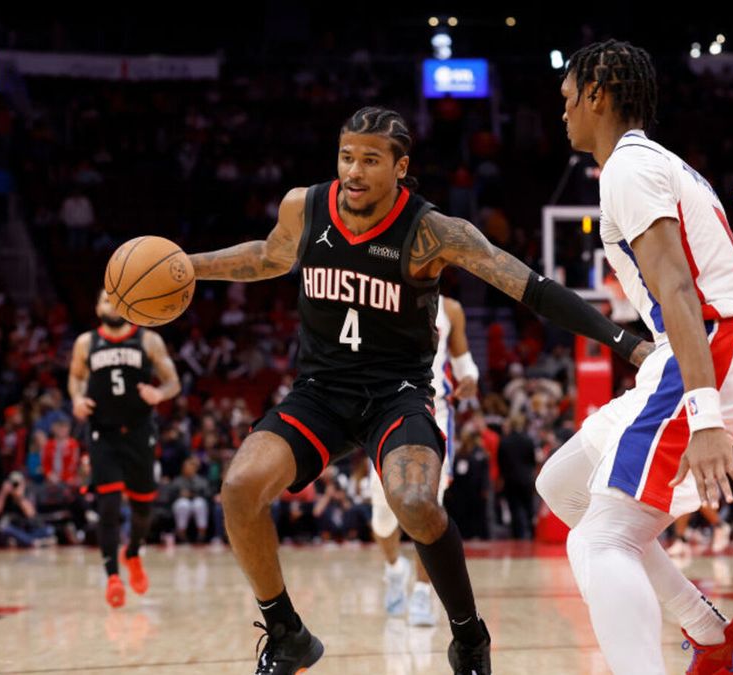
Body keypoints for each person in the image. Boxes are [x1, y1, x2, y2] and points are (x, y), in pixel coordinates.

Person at [186, 105, 650, 675]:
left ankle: (468, 635)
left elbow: (531, 287)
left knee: (416, 504)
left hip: (396, 393)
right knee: (238, 488)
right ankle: (286, 633)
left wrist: (626, 343)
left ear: (401, 167)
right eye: (346, 157)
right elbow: (265, 257)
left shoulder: (431, 231)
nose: (353, 171)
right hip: (320, 390)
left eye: (370, 160)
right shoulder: (303, 207)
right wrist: (188, 267)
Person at [534, 40, 733, 675]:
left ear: (597, 92)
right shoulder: (648, 163)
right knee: (563, 487)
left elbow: (677, 287)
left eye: (568, 99)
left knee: (601, 539)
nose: (562, 113)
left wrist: (703, 416)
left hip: (714, 346)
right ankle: (713, 634)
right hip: (709, 347)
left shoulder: (628, 166)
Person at [68, 290, 181, 608]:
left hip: (139, 432)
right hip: (103, 433)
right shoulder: (86, 343)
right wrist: (77, 399)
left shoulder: (148, 340)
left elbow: (174, 382)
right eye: (104, 299)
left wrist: (160, 394)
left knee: (144, 508)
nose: (110, 305)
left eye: (116, 300)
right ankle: (113, 577)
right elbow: (75, 379)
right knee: (108, 505)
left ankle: (132, 553)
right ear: (96, 307)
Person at [372, 294, 479, 626]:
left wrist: (470, 380)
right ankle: (393, 570)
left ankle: (421, 591)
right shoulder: (379, 293)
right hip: (383, 412)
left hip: (434, 411)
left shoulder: (451, 308)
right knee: (383, 518)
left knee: (429, 508)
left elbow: (464, 365)